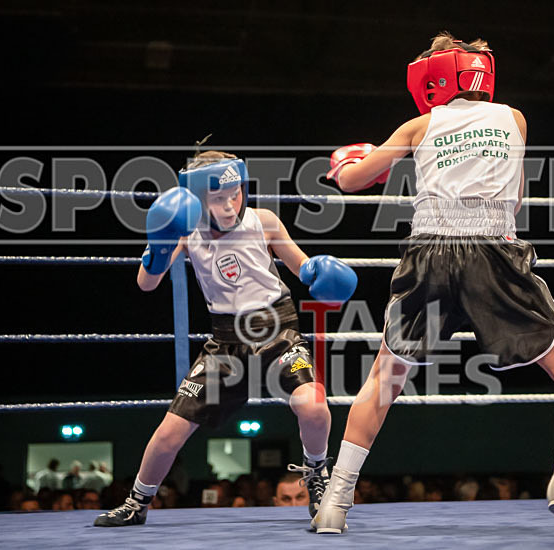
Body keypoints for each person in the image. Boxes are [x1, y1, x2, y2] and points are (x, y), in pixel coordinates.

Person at [313, 32, 554, 536]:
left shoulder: (419, 125)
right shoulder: (514, 119)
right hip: (493, 251)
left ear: (434, 79)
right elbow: (512, 204)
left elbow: (352, 182)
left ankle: (334, 506)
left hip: (428, 253)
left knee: (385, 379)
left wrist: (346, 167)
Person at [95, 150, 358, 527]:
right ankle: (137, 503)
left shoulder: (263, 221)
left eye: (235, 192)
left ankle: (317, 475)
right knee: (170, 430)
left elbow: (302, 269)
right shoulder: (186, 231)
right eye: (219, 197)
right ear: (199, 200)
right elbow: (145, 283)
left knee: (313, 406)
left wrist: (319, 273)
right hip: (224, 341)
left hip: (278, 331)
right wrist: (160, 245)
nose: (231, 202)